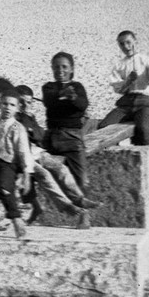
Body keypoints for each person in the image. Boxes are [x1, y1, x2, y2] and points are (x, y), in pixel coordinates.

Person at [14, 86, 93, 222]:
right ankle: (67, 206)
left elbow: (39, 136)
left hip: (36, 153)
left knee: (62, 169)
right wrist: (30, 127)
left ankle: (79, 199)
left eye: (29, 102)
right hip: (23, 157)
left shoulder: (29, 117)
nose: (26, 105)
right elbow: (24, 138)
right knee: (45, 175)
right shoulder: (15, 118)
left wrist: (33, 128)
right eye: (22, 102)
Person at [0, 90, 32, 238]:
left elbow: (23, 152)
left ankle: (16, 219)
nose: (7, 107)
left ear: (17, 108)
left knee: (4, 186)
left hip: (8, 163)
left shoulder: (18, 128)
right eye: (4, 104)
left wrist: (27, 174)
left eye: (12, 105)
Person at [41, 52, 91, 195]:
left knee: (82, 181)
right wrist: (65, 95)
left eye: (64, 66)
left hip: (72, 138)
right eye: (56, 67)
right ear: (52, 68)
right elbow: (49, 102)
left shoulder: (78, 87)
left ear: (72, 69)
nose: (60, 70)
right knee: (49, 180)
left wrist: (73, 97)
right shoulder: (48, 87)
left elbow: (82, 105)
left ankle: (83, 214)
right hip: (51, 138)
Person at [99, 31, 149, 146]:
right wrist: (127, 81)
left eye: (128, 42)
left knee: (143, 128)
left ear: (135, 41)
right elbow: (117, 88)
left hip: (144, 102)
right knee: (104, 126)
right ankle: (114, 155)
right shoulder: (119, 65)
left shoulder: (146, 59)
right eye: (122, 44)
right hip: (126, 103)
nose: (126, 47)